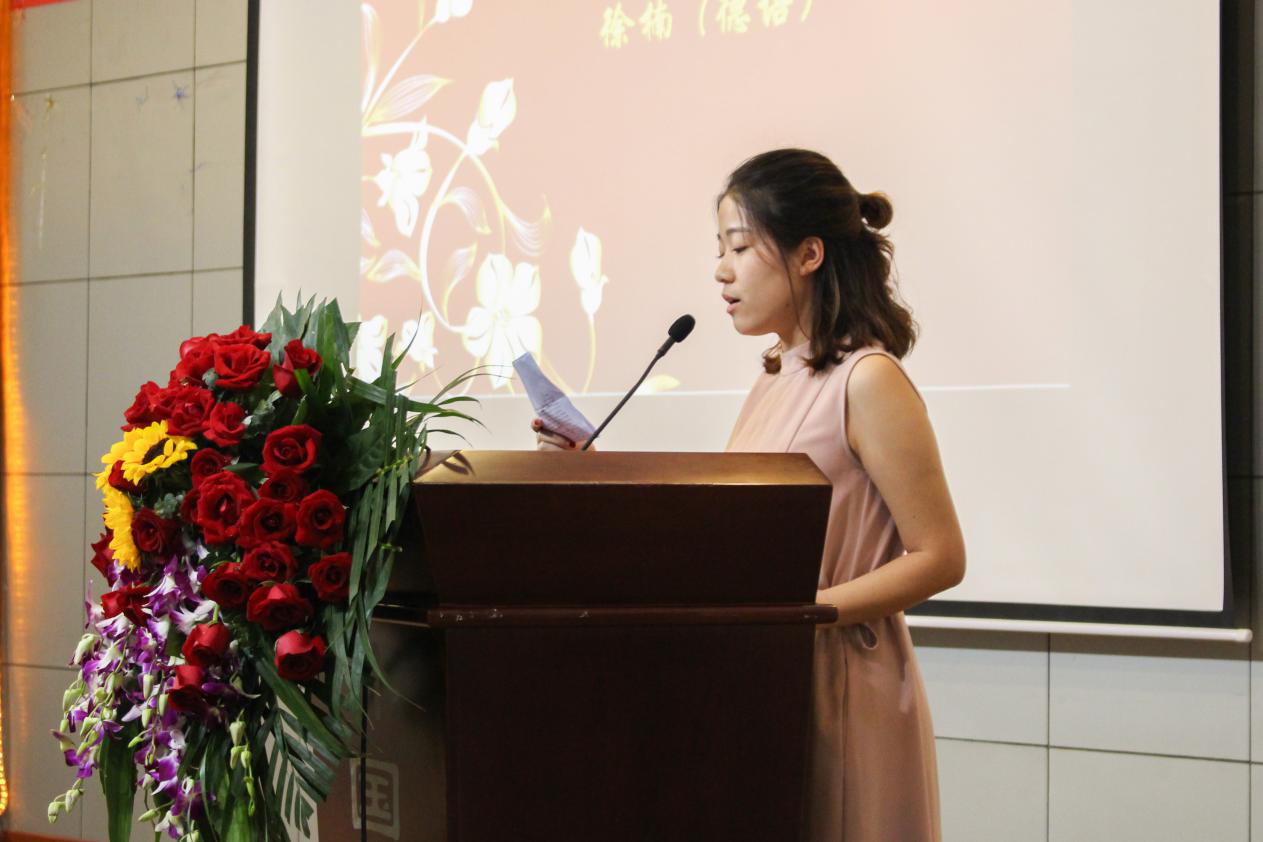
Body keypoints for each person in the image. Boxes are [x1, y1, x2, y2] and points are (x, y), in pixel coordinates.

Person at [535, 148, 964, 842]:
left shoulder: (868, 379)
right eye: (719, 250)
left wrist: (803, 611)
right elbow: (732, 534)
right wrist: (590, 472)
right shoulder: (774, 379)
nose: (721, 270)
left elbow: (940, 556)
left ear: (808, 254)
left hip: (839, 681)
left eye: (738, 247)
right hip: (762, 675)